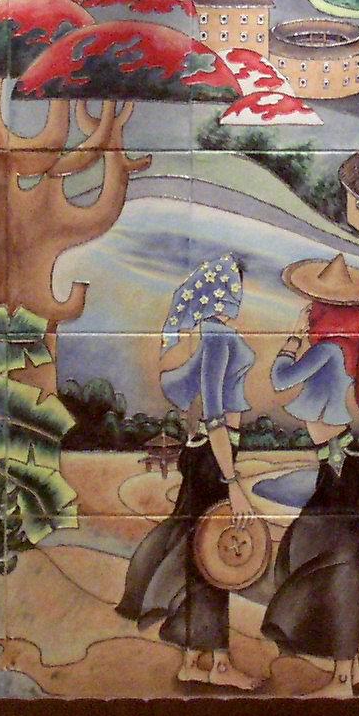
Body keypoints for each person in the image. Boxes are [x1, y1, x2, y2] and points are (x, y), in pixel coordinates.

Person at [117, 254, 262, 689]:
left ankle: (192, 659)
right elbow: (215, 414)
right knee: (212, 560)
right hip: (214, 458)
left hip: (207, 455)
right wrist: (233, 483)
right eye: (236, 284)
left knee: (199, 556)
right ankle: (219, 665)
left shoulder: (210, 335)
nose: (240, 293)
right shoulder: (217, 337)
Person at [260, 252, 359, 696]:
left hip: (341, 467)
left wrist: (292, 340)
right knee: (304, 550)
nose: (309, 311)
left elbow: (279, 379)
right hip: (337, 465)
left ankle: (343, 677)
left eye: (315, 305)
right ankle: (354, 667)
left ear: (327, 310)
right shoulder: (340, 346)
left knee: (338, 565)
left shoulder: (328, 350)